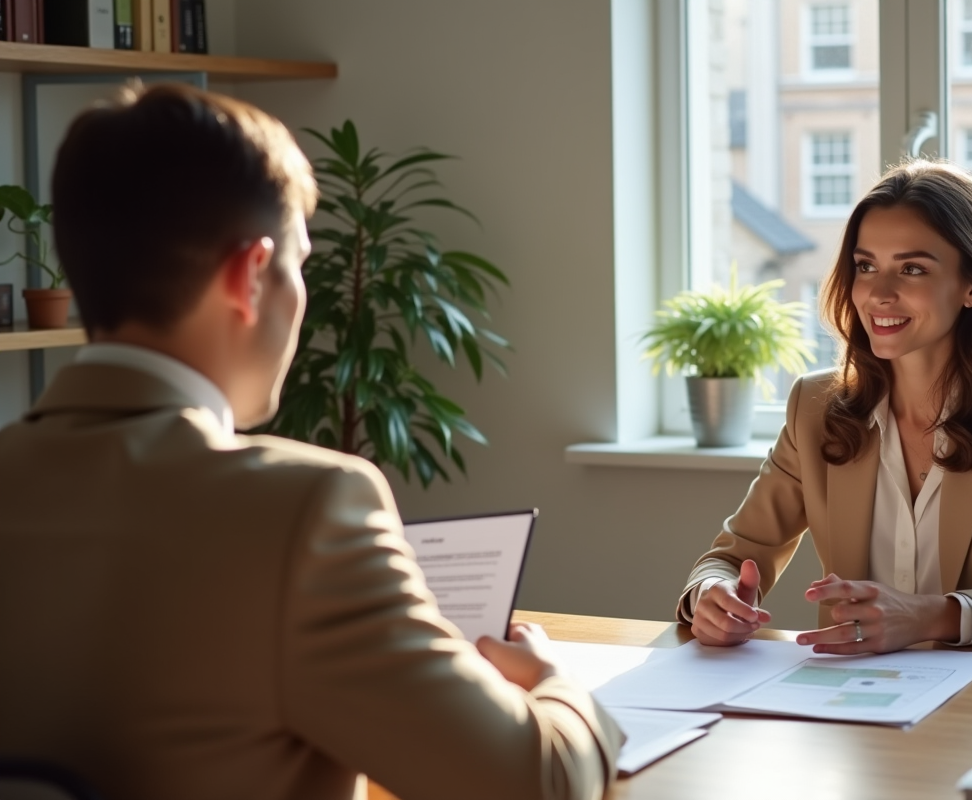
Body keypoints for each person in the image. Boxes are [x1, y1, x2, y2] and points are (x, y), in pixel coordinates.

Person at [0, 84, 621, 800]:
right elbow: (534, 783)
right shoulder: (305, 512)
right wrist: (557, 684)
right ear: (248, 276)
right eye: (298, 263)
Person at [677, 160, 972, 655]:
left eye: (912, 269)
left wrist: (935, 616)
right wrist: (712, 595)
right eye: (866, 266)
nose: (878, 294)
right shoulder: (814, 407)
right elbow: (731, 557)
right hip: (850, 693)